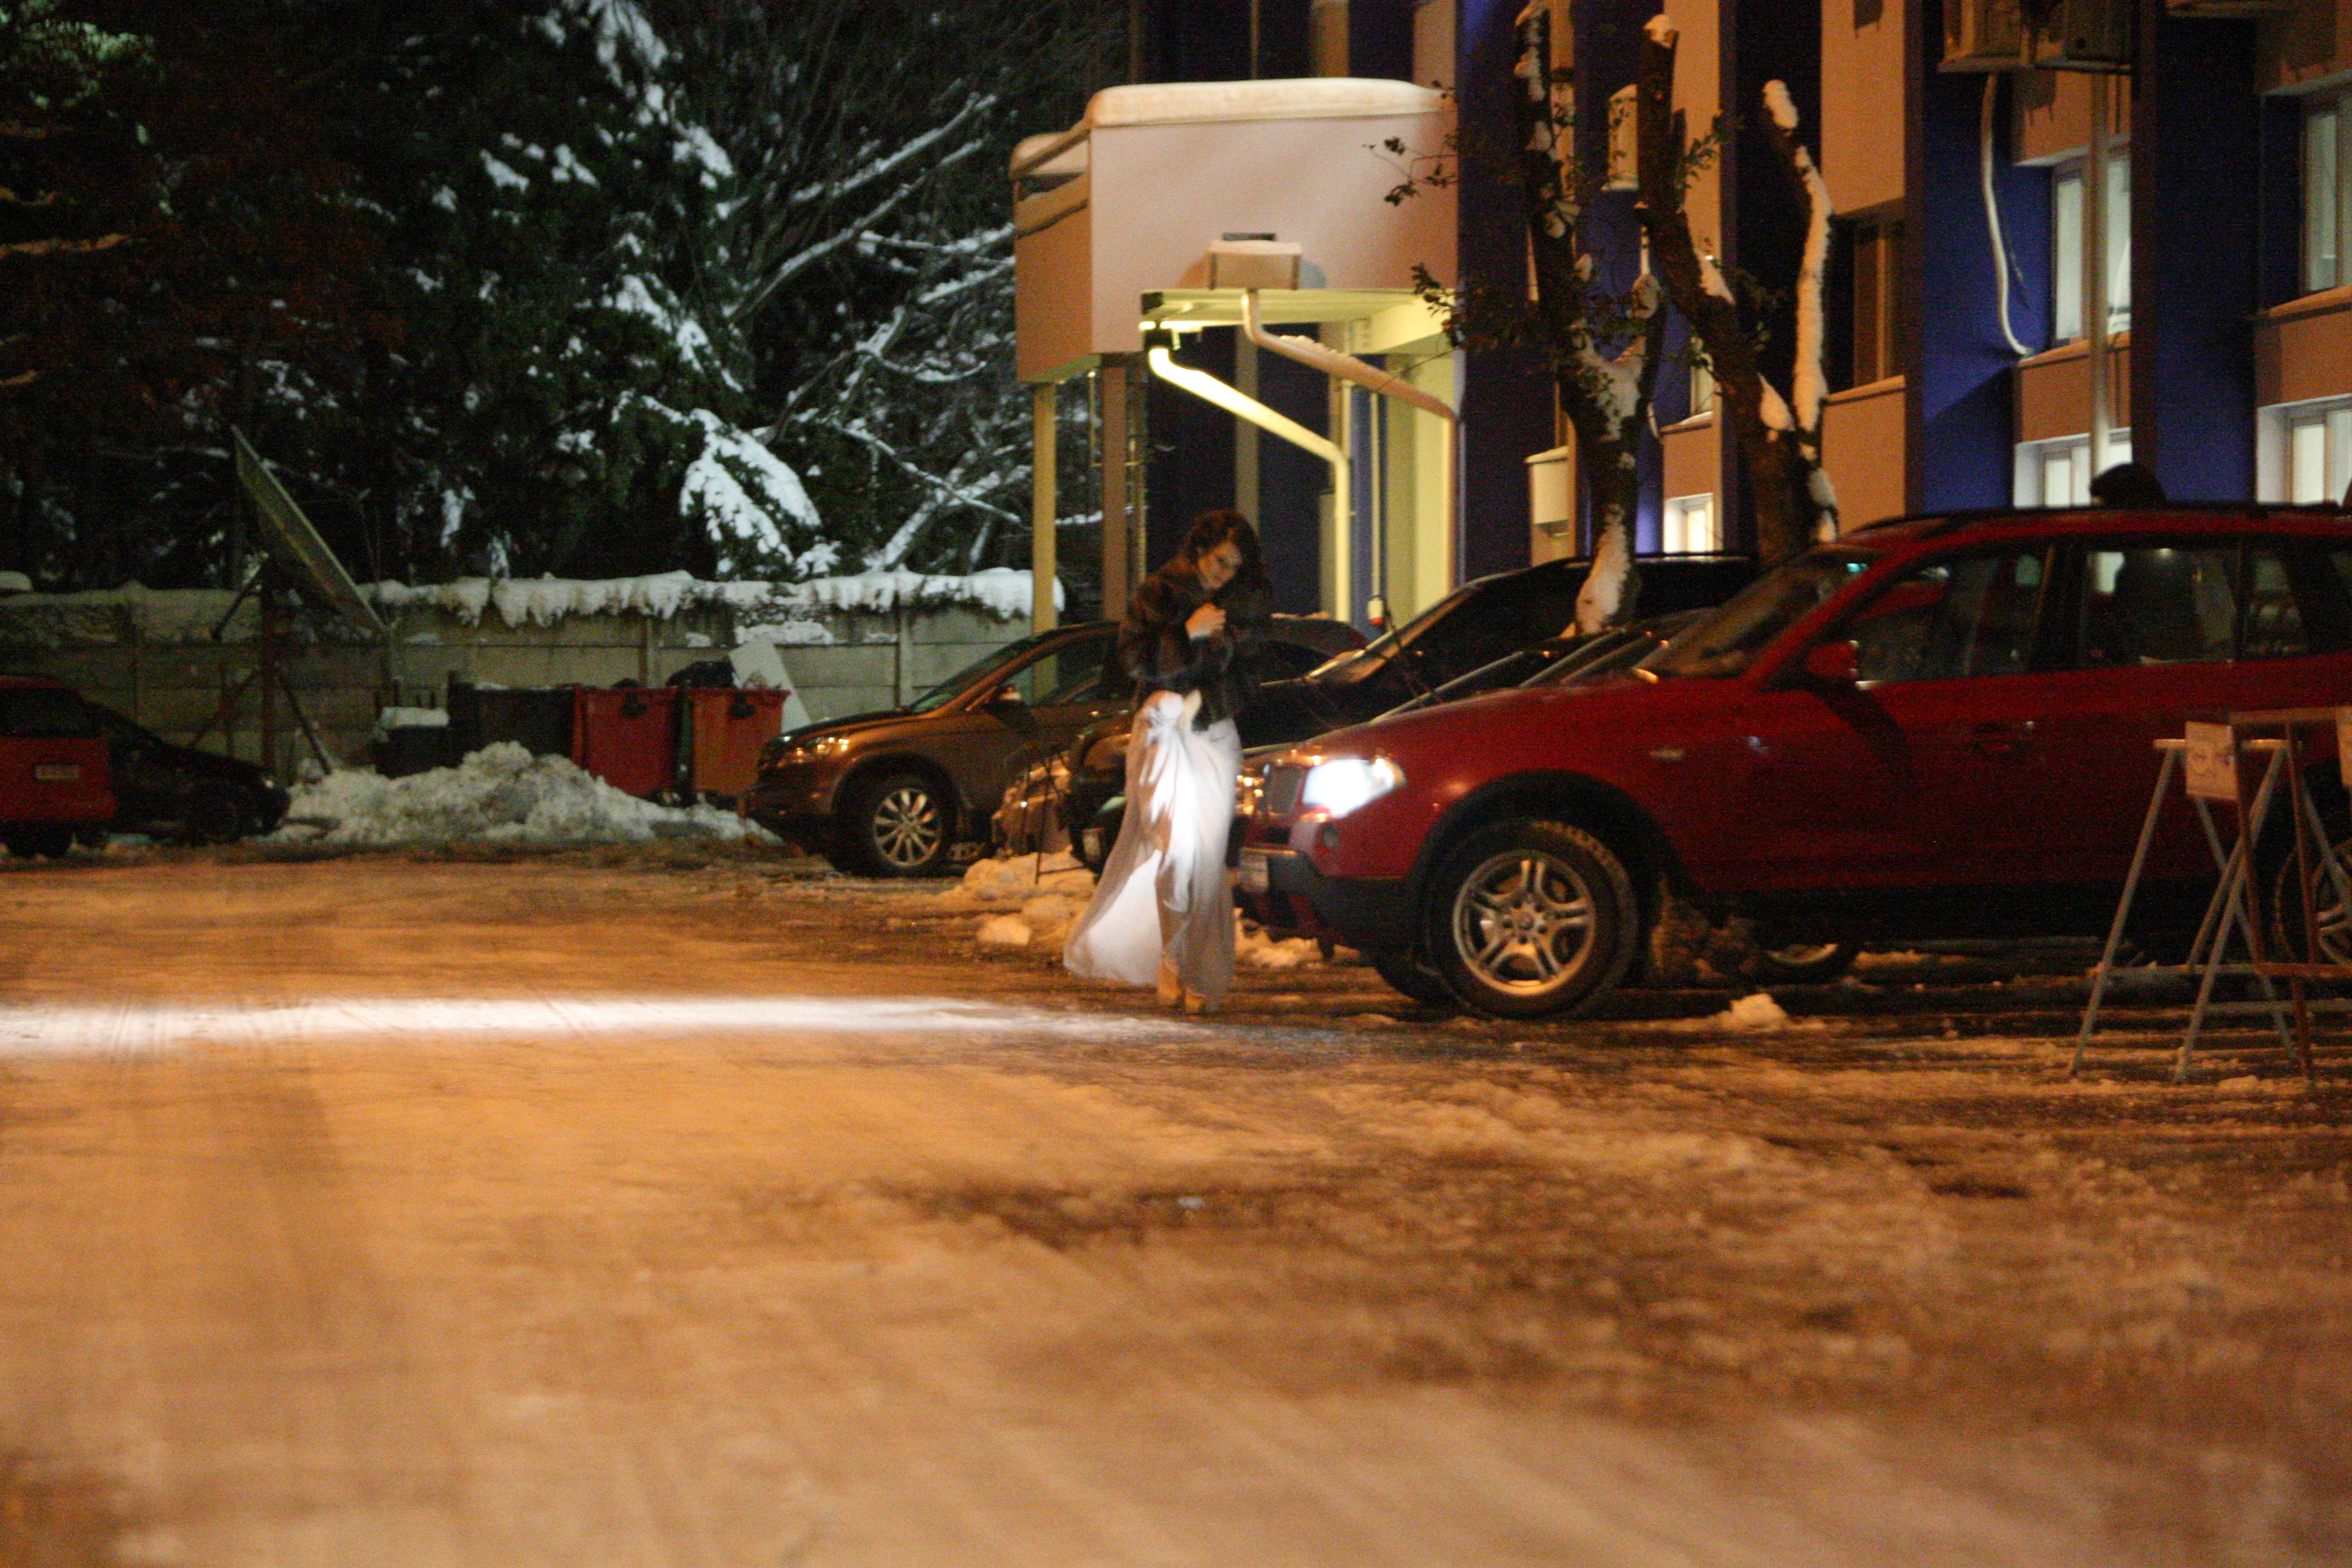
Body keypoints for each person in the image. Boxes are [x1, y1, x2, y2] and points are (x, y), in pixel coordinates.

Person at [1063, 509, 1272, 1013]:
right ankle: (1172, 958)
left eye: (1234, 567)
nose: (1224, 574)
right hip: (1161, 736)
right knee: (1174, 848)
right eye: (1220, 561)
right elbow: (1132, 660)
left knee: (1204, 859)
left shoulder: (1245, 605)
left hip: (1214, 736)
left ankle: (1198, 970)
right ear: (1200, 549)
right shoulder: (1160, 592)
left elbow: (1251, 675)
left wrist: (1207, 699)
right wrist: (1187, 635)